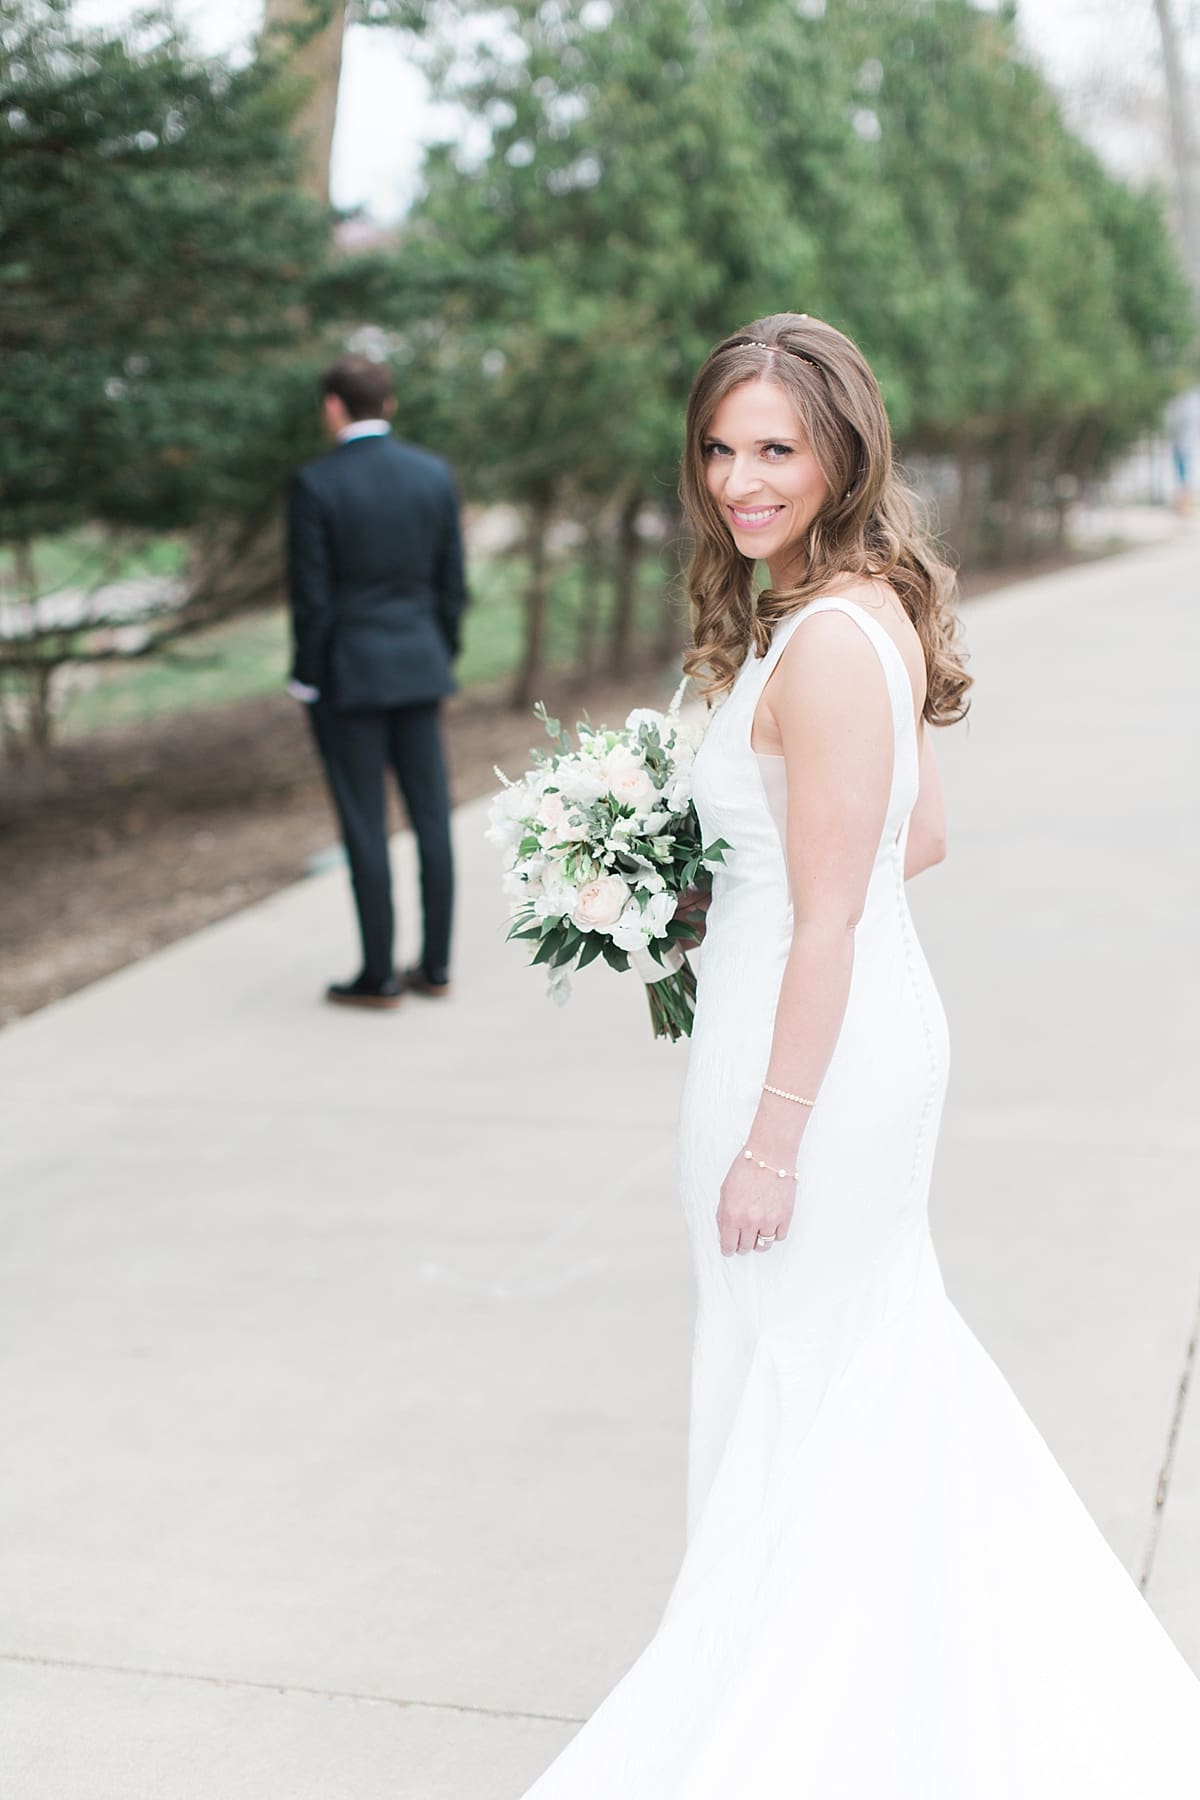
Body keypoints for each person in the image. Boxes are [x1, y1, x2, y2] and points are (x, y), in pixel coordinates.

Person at [517, 315, 1200, 1795]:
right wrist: (712, 890)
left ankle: (785, 1735)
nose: (739, 479)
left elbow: (833, 913)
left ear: (841, 449)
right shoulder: (861, 600)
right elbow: (920, 837)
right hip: (850, 1033)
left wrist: (773, 1137)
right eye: (718, 446)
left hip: (803, 1060)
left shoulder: (822, 639)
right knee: (846, 1372)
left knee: (796, 1376)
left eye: (775, 447)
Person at [286, 355, 468, 1009]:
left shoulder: (315, 483)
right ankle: (438, 966)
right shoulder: (433, 475)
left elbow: (312, 600)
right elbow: (453, 585)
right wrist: (437, 653)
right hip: (420, 666)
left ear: (333, 407)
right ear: (387, 405)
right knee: (431, 819)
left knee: (365, 825)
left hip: (350, 677)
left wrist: (307, 679)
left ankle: (380, 975)